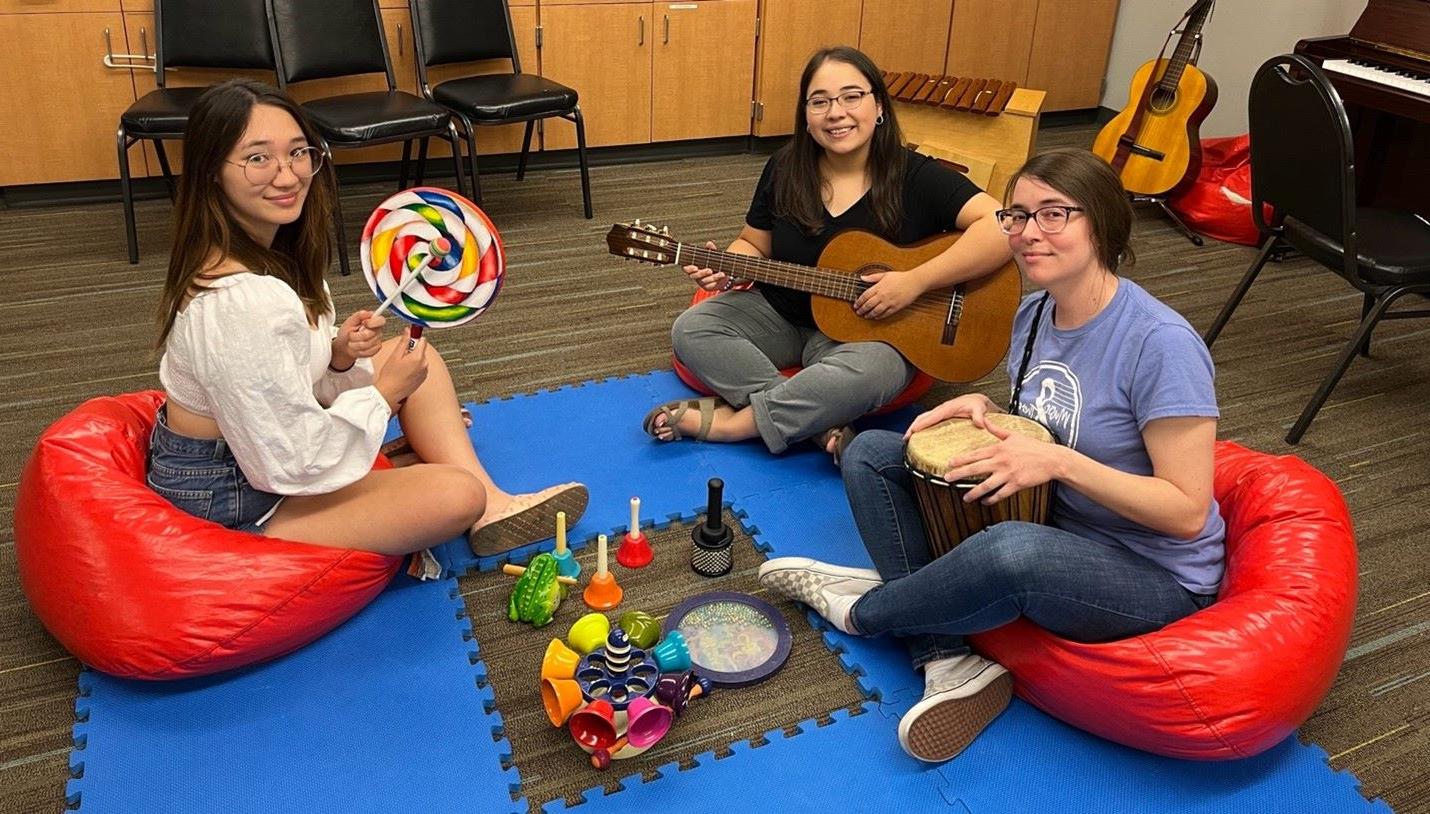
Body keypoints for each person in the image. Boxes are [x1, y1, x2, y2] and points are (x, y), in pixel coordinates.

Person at [758, 148, 1225, 763]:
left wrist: (1059, 465)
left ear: (1104, 224)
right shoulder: (1033, 312)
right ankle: (943, 656)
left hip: (1153, 573)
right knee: (871, 451)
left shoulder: (1161, 345)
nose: (1029, 234)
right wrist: (986, 410)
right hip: (1055, 518)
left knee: (1010, 553)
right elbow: (1048, 425)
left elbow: (1188, 511)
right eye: (1018, 215)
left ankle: (862, 610)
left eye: (1053, 215)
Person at [150, 78, 586, 560]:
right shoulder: (241, 303)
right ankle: (267, 541)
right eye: (258, 158)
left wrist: (336, 358)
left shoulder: (266, 254)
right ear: (212, 170)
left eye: (298, 152)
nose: (288, 175)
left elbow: (281, 376)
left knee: (419, 356)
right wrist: (383, 396)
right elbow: (290, 461)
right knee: (456, 495)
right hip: (236, 496)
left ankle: (492, 506)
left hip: (256, 450)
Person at [643, 46, 1010, 461]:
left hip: (866, 335)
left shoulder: (915, 175)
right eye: (820, 101)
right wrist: (727, 270)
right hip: (783, 314)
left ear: (879, 106)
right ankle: (817, 424)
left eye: (851, 96)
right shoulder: (785, 167)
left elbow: (1002, 226)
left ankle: (735, 425)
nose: (836, 112)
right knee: (692, 329)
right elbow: (754, 243)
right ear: (806, 114)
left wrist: (915, 281)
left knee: (877, 371)